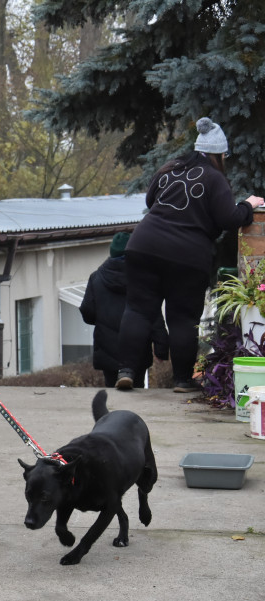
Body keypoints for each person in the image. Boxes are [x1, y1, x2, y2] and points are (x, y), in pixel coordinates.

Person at [116, 116, 265, 393]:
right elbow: (229, 217)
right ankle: (183, 381)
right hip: (187, 256)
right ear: (219, 155)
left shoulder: (170, 168)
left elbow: (150, 201)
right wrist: (247, 204)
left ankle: (125, 371)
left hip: (144, 245)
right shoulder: (214, 177)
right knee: (182, 318)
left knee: (137, 310)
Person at [80, 231, 169, 388]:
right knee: (138, 390)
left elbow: (88, 312)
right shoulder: (143, 279)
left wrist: (102, 319)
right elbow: (154, 315)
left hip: (107, 349)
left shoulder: (96, 278)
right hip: (138, 348)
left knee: (111, 393)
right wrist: (161, 349)